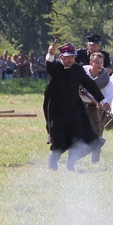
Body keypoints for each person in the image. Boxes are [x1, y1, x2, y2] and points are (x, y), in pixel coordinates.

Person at [43, 43, 106, 171]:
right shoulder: (57, 67)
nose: (70, 60)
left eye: (72, 57)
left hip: (75, 109)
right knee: (58, 137)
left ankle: (71, 163)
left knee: (79, 135)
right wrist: (50, 54)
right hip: (57, 110)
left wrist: (101, 100)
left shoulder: (77, 69)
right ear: (61, 57)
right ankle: (53, 162)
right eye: (67, 57)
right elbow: (50, 65)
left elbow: (89, 84)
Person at [80, 52, 113, 163]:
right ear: (91, 63)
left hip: (95, 106)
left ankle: (95, 157)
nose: (100, 65)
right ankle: (75, 154)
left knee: (97, 130)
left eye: (101, 62)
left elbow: (110, 92)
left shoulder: (104, 76)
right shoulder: (82, 71)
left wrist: (106, 103)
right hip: (80, 105)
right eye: (97, 62)